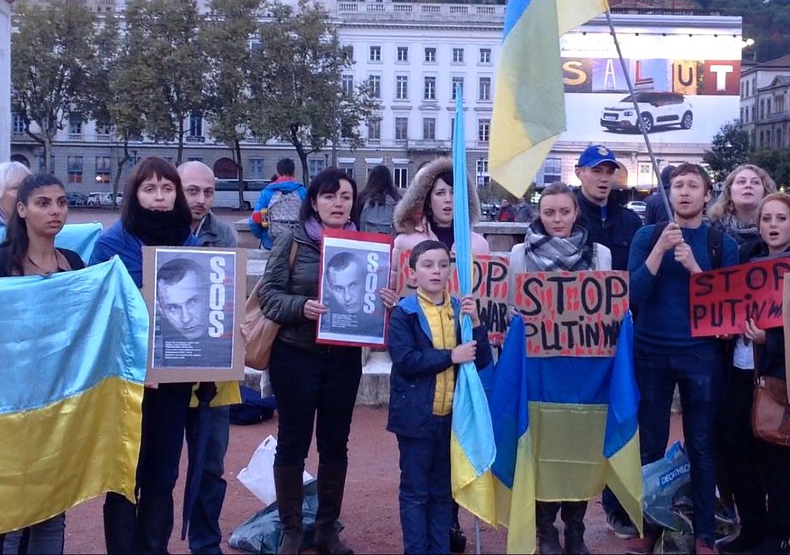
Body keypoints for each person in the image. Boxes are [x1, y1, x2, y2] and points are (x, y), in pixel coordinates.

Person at [259, 168, 394, 555]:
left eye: (346, 197)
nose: (338, 203)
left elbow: (377, 300)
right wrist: (303, 306)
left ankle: (326, 528)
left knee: (335, 443)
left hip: (343, 359)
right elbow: (268, 296)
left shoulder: (368, 246)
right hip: (295, 356)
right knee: (293, 442)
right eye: (330, 196)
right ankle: (291, 529)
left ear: (355, 202)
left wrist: (384, 300)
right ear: (314, 201)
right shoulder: (291, 241)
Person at [622, 163, 739, 555]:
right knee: (650, 444)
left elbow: (726, 304)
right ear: (668, 194)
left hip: (701, 355)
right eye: (677, 186)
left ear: (707, 195)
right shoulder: (647, 236)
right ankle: (648, 525)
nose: (684, 192)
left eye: (693, 186)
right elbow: (634, 294)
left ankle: (704, 532)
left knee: (702, 444)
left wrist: (694, 268)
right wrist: (659, 251)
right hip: (651, 350)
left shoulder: (723, 244)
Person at [91, 157, 200, 555]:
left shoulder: (190, 244)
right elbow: (98, 312)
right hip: (126, 380)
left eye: (167, 188)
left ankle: (154, 548)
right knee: (124, 473)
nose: (159, 197)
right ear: (134, 194)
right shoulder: (111, 244)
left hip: (172, 376)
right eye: (149, 189)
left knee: (163, 472)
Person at [0, 173, 83, 555]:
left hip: (59, 405)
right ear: (21, 210)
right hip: (7, 409)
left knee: (53, 509)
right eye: (43, 203)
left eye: (62, 202)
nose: (55, 211)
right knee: (9, 515)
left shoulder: (75, 265)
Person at [389, 157, 489, 552]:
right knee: (416, 489)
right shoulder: (407, 309)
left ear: (451, 270)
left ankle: (443, 542)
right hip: (417, 414)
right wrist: (453, 355)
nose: (436, 271)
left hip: (454, 413)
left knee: (443, 488)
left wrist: (478, 323)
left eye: (442, 265)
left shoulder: (458, 299)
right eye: (427, 265)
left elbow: (480, 358)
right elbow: (408, 358)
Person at [509, 182, 612, 555]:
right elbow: (510, 312)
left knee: (580, 448)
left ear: (575, 213)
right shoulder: (520, 255)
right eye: (549, 212)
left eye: (564, 212)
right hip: (538, 370)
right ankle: (545, 530)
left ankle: (576, 529)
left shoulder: (600, 254)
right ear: (540, 213)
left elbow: (607, 309)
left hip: (584, 372)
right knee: (540, 447)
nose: (557, 220)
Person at [717, 194, 790, 555]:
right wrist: (727, 328)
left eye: (781, 219)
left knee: (778, 455)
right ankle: (751, 529)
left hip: (779, 375)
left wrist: (769, 338)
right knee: (738, 454)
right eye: (766, 219)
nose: (772, 225)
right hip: (740, 371)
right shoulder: (745, 260)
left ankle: (779, 535)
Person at [571, 144, 642, 537]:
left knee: (622, 414)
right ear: (580, 173)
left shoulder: (630, 222)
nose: (603, 177)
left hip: (621, 337)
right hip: (574, 339)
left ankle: (618, 504)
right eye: (596, 170)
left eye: (609, 171)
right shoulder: (566, 215)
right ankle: (567, 511)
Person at [176, 160, 240, 555]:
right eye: (192, 191)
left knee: (211, 466)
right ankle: (152, 540)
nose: (201, 200)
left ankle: (205, 543)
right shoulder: (156, 229)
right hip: (163, 372)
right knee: (157, 467)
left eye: (208, 192)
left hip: (213, 371)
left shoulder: (226, 233)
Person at [706, 164, 777, 250]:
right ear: (729, 192)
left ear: (765, 193)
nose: (748, 185)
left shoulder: (778, 229)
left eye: (755, 182)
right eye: (741, 182)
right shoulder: (711, 229)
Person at [250, 158, 307, 249]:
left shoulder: (267, 192)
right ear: (293, 173)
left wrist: (263, 236)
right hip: (296, 244)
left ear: (277, 174)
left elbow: (254, 220)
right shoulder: (303, 192)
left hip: (271, 243)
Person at [354, 164, 400, 236]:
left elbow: (356, 222)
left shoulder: (362, 197)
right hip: (389, 243)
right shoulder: (396, 198)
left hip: (365, 241)